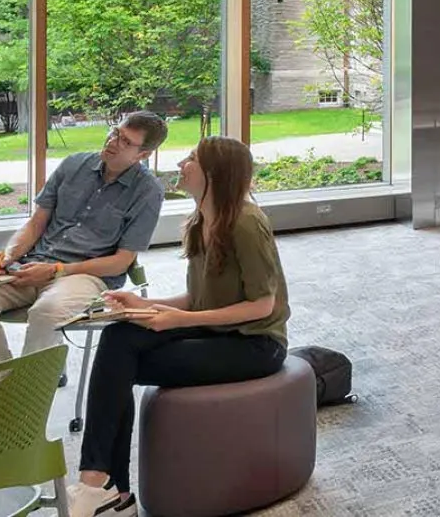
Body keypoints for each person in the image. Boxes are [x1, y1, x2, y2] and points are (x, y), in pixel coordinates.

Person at [68, 136, 290, 517]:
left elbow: (262, 305)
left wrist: (181, 321)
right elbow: (199, 300)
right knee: (120, 335)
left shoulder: (247, 223)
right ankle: (105, 485)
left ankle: (106, 488)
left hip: (256, 343)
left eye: (190, 159)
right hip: (218, 330)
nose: (180, 165)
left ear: (213, 174)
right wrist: (145, 306)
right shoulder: (202, 221)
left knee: (120, 368)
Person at [0, 112, 168, 370]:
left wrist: (58, 270)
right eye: (115, 132)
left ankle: (29, 395)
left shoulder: (148, 191)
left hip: (85, 275)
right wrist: (9, 256)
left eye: (125, 141)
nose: (112, 141)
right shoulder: (74, 164)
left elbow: (121, 262)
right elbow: (36, 223)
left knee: (47, 312)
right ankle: (1, 387)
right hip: (33, 265)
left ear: (143, 155)